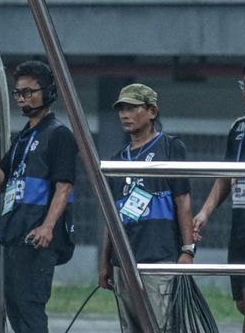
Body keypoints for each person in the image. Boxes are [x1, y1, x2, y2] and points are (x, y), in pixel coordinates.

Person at [0, 60, 76, 333]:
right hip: (14, 235)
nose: (22, 98)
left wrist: (48, 226)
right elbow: (1, 184)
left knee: (30, 308)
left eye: (29, 92)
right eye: (18, 93)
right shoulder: (23, 138)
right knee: (15, 307)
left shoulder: (59, 135)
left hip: (37, 238)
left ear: (48, 92)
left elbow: (64, 186)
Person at [97, 83, 194, 333]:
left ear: (152, 111)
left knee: (162, 326)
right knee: (131, 328)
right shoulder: (117, 160)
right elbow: (111, 215)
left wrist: (188, 249)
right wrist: (105, 260)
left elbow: (183, 201)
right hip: (123, 261)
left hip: (159, 257)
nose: (124, 114)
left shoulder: (171, 148)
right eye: (121, 109)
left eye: (132, 108)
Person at [193, 55, 245, 333]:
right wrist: (205, 212)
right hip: (241, 220)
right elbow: (225, 176)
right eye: (244, 84)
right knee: (244, 301)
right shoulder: (238, 127)